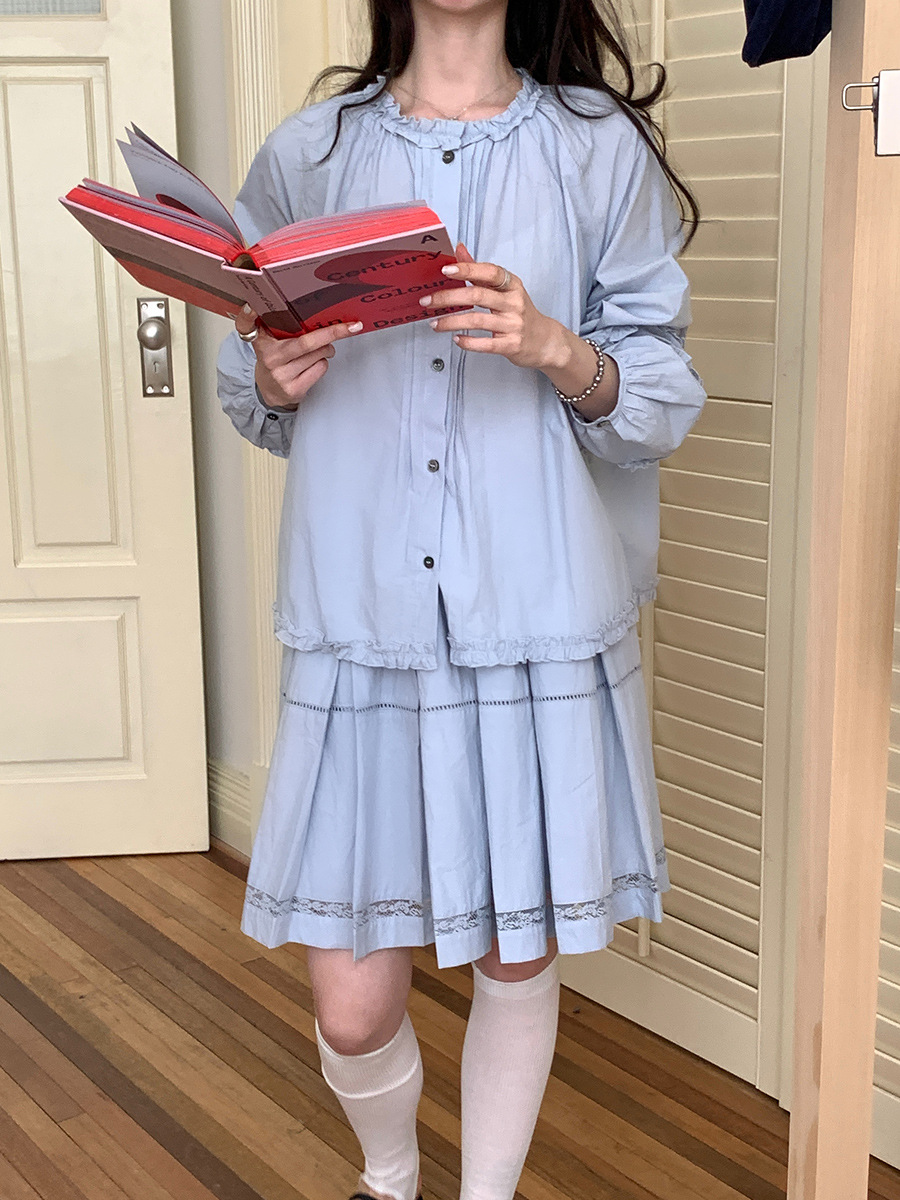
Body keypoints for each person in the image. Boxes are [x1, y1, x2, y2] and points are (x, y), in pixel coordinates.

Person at [216, 2, 706, 1199]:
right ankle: (389, 1177)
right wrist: (272, 375)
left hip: (531, 610)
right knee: (351, 1003)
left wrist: (554, 347)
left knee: (514, 951)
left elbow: (660, 395)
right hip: (362, 618)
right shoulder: (310, 152)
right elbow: (249, 386)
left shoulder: (596, 147)